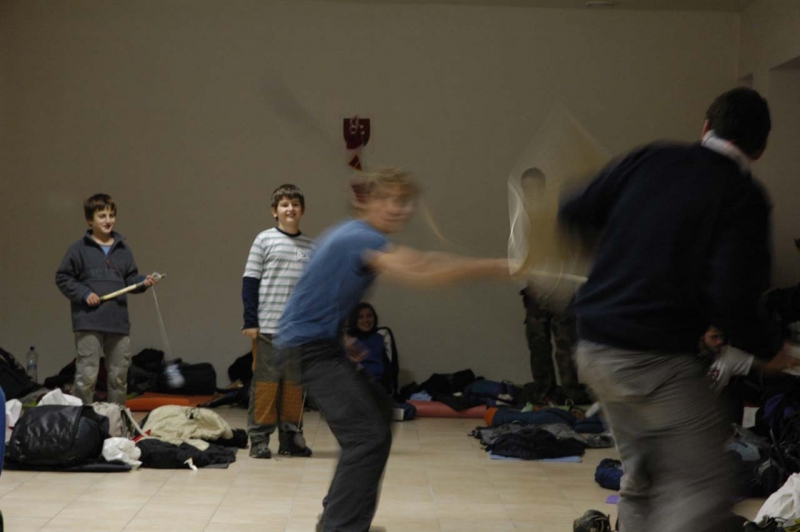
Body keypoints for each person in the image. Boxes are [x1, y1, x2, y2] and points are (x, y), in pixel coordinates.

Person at [559, 87, 795, 532]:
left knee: (643, 479)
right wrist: (769, 347)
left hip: (594, 345)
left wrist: (622, 255)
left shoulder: (651, 158)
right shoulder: (742, 195)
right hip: (655, 359)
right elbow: (733, 296)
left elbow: (573, 209)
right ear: (760, 149)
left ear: (706, 127)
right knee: (704, 487)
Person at [274, 167, 509, 532]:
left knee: (380, 411)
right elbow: (421, 269)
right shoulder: (360, 236)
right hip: (307, 350)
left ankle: (338, 515)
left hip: (319, 346)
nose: (400, 208)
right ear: (365, 201)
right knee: (368, 436)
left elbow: (318, 290)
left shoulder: (351, 235)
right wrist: (497, 266)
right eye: (389, 199)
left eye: (405, 201)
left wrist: (341, 337)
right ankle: (339, 527)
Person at [55, 193, 159, 405]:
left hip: (118, 324)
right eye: (102, 216)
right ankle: (82, 420)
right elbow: (63, 277)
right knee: (86, 377)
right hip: (88, 322)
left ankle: (117, 419)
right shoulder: (78, 249)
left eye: (111, 215)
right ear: (89, 220)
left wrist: (142, 282)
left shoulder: (124, 250)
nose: (108, 220)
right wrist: (85, 294)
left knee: (119, 378)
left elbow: (130, 280)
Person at [241, 184, 315, 459]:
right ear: (275, 211)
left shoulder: (311, 247)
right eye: (284, 204)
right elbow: (250, 282)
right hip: (268, 328)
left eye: (295, 204)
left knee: (294, 387)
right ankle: (259, 440)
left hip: (298, 331)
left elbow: (313, 290)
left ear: (302, 210)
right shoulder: (264, 240)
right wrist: (250, 321)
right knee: (266, 386)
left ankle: (290, 439)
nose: (290, 209)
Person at [343, 302, 399, 396]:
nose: (366, 320)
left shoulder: (382, 336)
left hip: (378, 385)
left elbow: (391, 366)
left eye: (369, 316)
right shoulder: (348, 339)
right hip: (356, 386)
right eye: (360, 317)